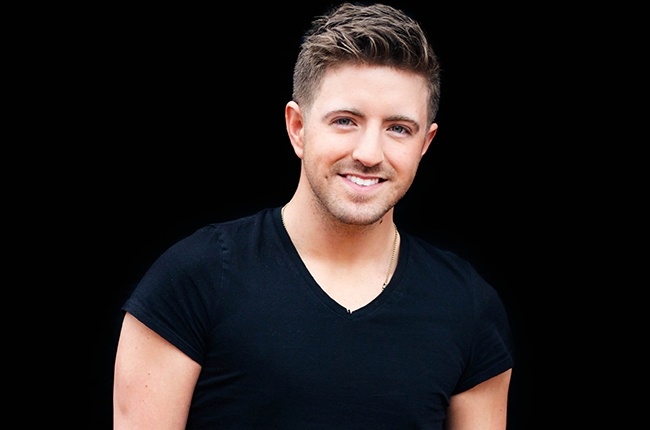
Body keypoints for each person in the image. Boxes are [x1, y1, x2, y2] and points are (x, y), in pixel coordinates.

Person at [113, 2, 514, 428]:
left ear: (425, 144)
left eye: (398, 128)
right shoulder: (195, 278)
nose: (369, 153)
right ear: (298, 128)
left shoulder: (468, 306)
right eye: (345, 121)